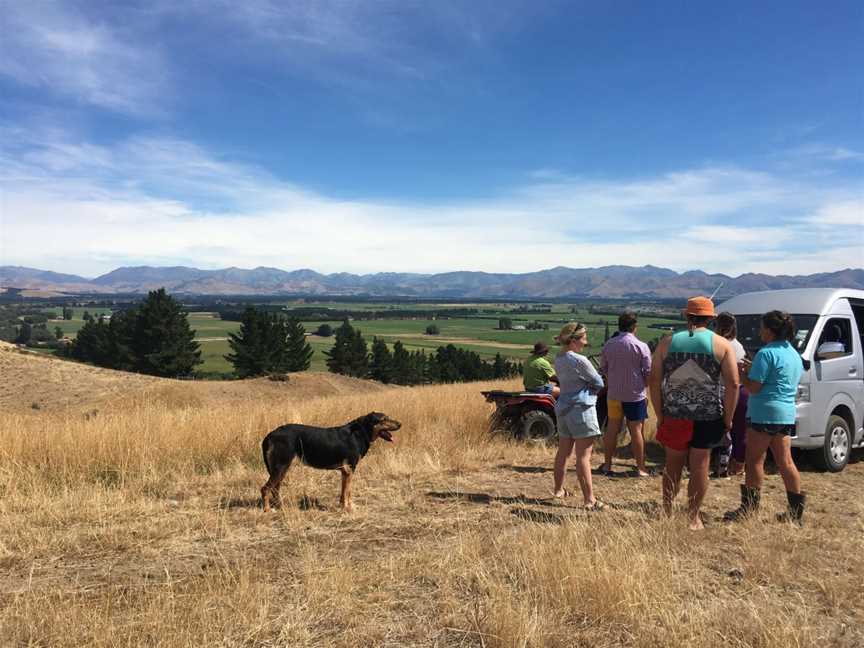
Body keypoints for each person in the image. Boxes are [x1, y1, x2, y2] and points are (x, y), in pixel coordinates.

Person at [648, 296, 740, 531]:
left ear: (687, 316)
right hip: (708, 415)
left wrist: (660, 414)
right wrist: (728, 418)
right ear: (710, 319)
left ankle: (667, 510)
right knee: (700, 466)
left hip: (675, 414)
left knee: (672, 466)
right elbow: (733, 385)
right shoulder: (722, 344)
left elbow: (655, 380)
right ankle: (693, 517)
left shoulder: (667, 342)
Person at [724, 311, 806, 524]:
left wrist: (742, 373)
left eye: (761, 327)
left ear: (769, 330)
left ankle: (749, 509)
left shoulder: (765, 353)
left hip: (763, 413)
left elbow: (753, 387)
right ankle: (795, 513)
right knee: (785, 462)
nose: (759, 331)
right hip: (786, 414)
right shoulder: (793, 354)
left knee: (754, 461)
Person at [552, 322, 605, 509]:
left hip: (563, 408)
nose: (585, 341)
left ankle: (558, 490)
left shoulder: (558, 358)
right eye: (583, 337)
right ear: (574, 340)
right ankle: (590, 500)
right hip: (581, 410)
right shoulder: (580, 360)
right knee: (584, 456)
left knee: (564, 453)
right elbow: (598, 382)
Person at [599, 311, 652, 477]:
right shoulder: (641, 346)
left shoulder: (609, 344)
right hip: (635, 395)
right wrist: (644, 385)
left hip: (614, 394)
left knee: (612, 429)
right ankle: (641, 468)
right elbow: (648, 371)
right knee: (636, 430)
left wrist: (611, 380)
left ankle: (607, 465)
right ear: (634, 327)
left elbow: (603, 368)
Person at [713, 312, 748, 477]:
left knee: (722, 432)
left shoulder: (716, 344)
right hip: (739, 392)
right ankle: (737, 464)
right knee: (738, 432)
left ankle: (721, 466)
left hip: (719, 391)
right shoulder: (738, 346)